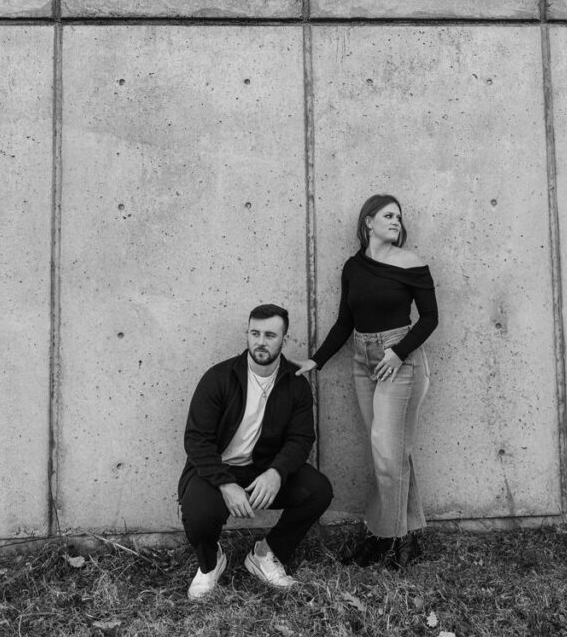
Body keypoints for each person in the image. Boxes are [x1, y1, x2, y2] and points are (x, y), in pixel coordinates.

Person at [296, 194, 438, 569]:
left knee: (388, 456)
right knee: (389, 454)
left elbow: (429, 319)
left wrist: (398, 351)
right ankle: (407, 537)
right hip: (363, 360)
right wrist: (317, 359)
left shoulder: (412, 263)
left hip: (400, 361)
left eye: (399, 217)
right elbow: (345, 321)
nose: (396, 221)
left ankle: (384, 540)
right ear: (368, 222)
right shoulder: (352, 268)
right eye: (388, 215)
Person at [178, 303, 333, 600]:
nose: (261, 341)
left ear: (284, 340)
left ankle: (265, 554)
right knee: (197, 515)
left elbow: (301, 439)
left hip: (264, 469)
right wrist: (225, 483)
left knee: (319, 490)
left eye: (270, 335)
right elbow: (197, 440)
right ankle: (211, 562)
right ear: (247, 335)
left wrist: (277, 472)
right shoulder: (219, 377)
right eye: (255, 333)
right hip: (218, 470)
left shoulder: (295, 384)